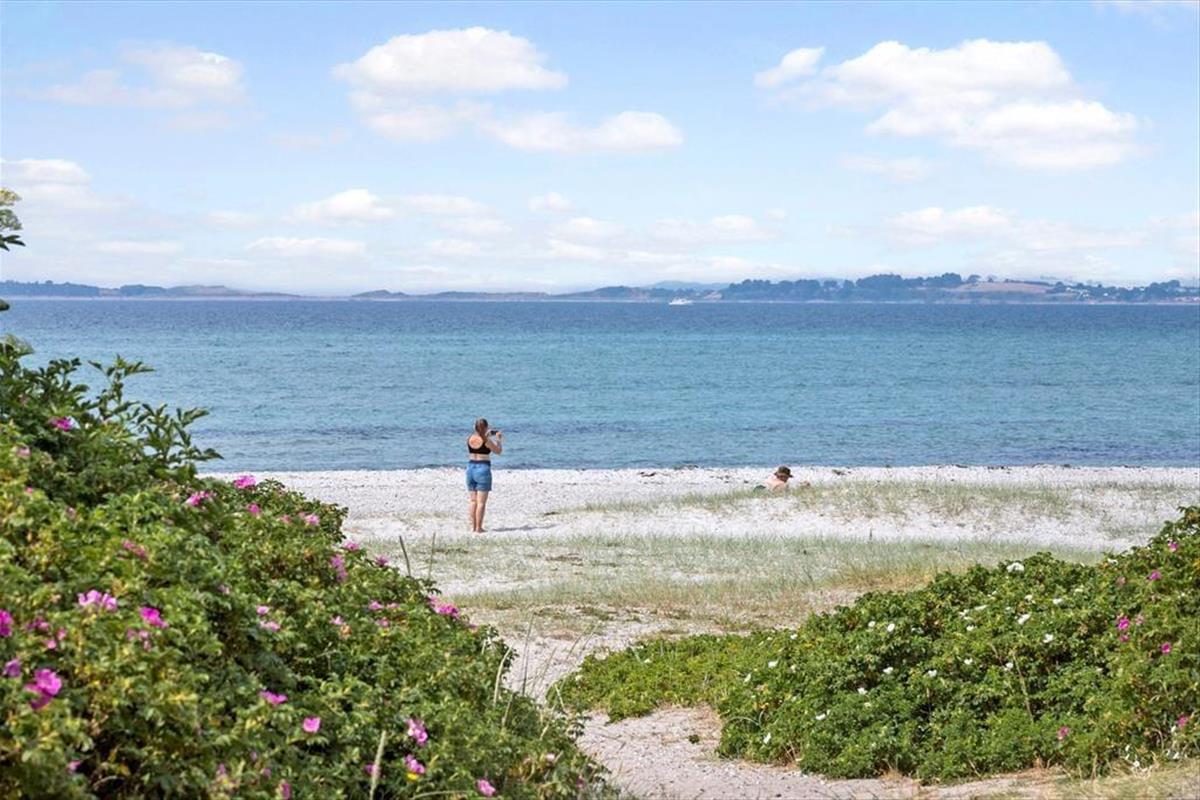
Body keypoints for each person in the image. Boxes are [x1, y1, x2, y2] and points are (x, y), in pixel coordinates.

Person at [466, 417, 503, 533]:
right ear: (486, 427)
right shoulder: (487, 441)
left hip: (470, 468)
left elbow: (480, 436)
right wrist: (498, 440)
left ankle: (472, 527)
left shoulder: (469, 438)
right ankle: (479, 528)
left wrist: (487, 433)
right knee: (481, 502)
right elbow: (498, 451)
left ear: (474, 427)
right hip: (482, 468)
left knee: (473, 501)